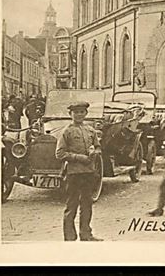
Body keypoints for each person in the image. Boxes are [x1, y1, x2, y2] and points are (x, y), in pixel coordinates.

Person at [55, 101, 102, 241]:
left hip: (88, 173)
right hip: (73, 173)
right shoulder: (66, 131)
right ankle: (69, 237)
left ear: (86, 114)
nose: (79, 115)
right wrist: (80, 157)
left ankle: (86, 234)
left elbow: (98, 147)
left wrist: (95, 152)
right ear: (70, 114)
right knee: (72, 205)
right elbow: (59, 154)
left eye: (82, 112)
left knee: (87, 204)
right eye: (76, 112)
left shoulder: (91, 131)